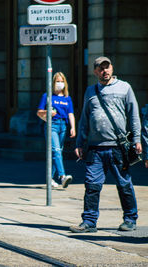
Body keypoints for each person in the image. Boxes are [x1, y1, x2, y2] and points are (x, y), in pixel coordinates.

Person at [70, 56, 142, 233]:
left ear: (112, 68)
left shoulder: (125, 88)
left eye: (107, 67)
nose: (105, 71)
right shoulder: (90, 91)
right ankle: (89, 221)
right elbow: (84, 120)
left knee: (124, 184)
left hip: (118, 147)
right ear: (95, 72)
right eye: (101, 69)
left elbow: (134, 116)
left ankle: (130, 219)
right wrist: (80, 142)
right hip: (95, 148)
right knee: (91, 185)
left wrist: (137, 140)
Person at [37, 72, 76, 188]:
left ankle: (50, 178)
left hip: (63, 126)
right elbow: (39, 112)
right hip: (51, 125)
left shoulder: (67, 98)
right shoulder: (47, 96)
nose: (60, 84)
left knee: (57, 152)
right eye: (57, 81)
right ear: (53, 83)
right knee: (57, 151)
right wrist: (48, 112)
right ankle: (62, 176)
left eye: (62, 81)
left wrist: (73, 127)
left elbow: (70, 114)